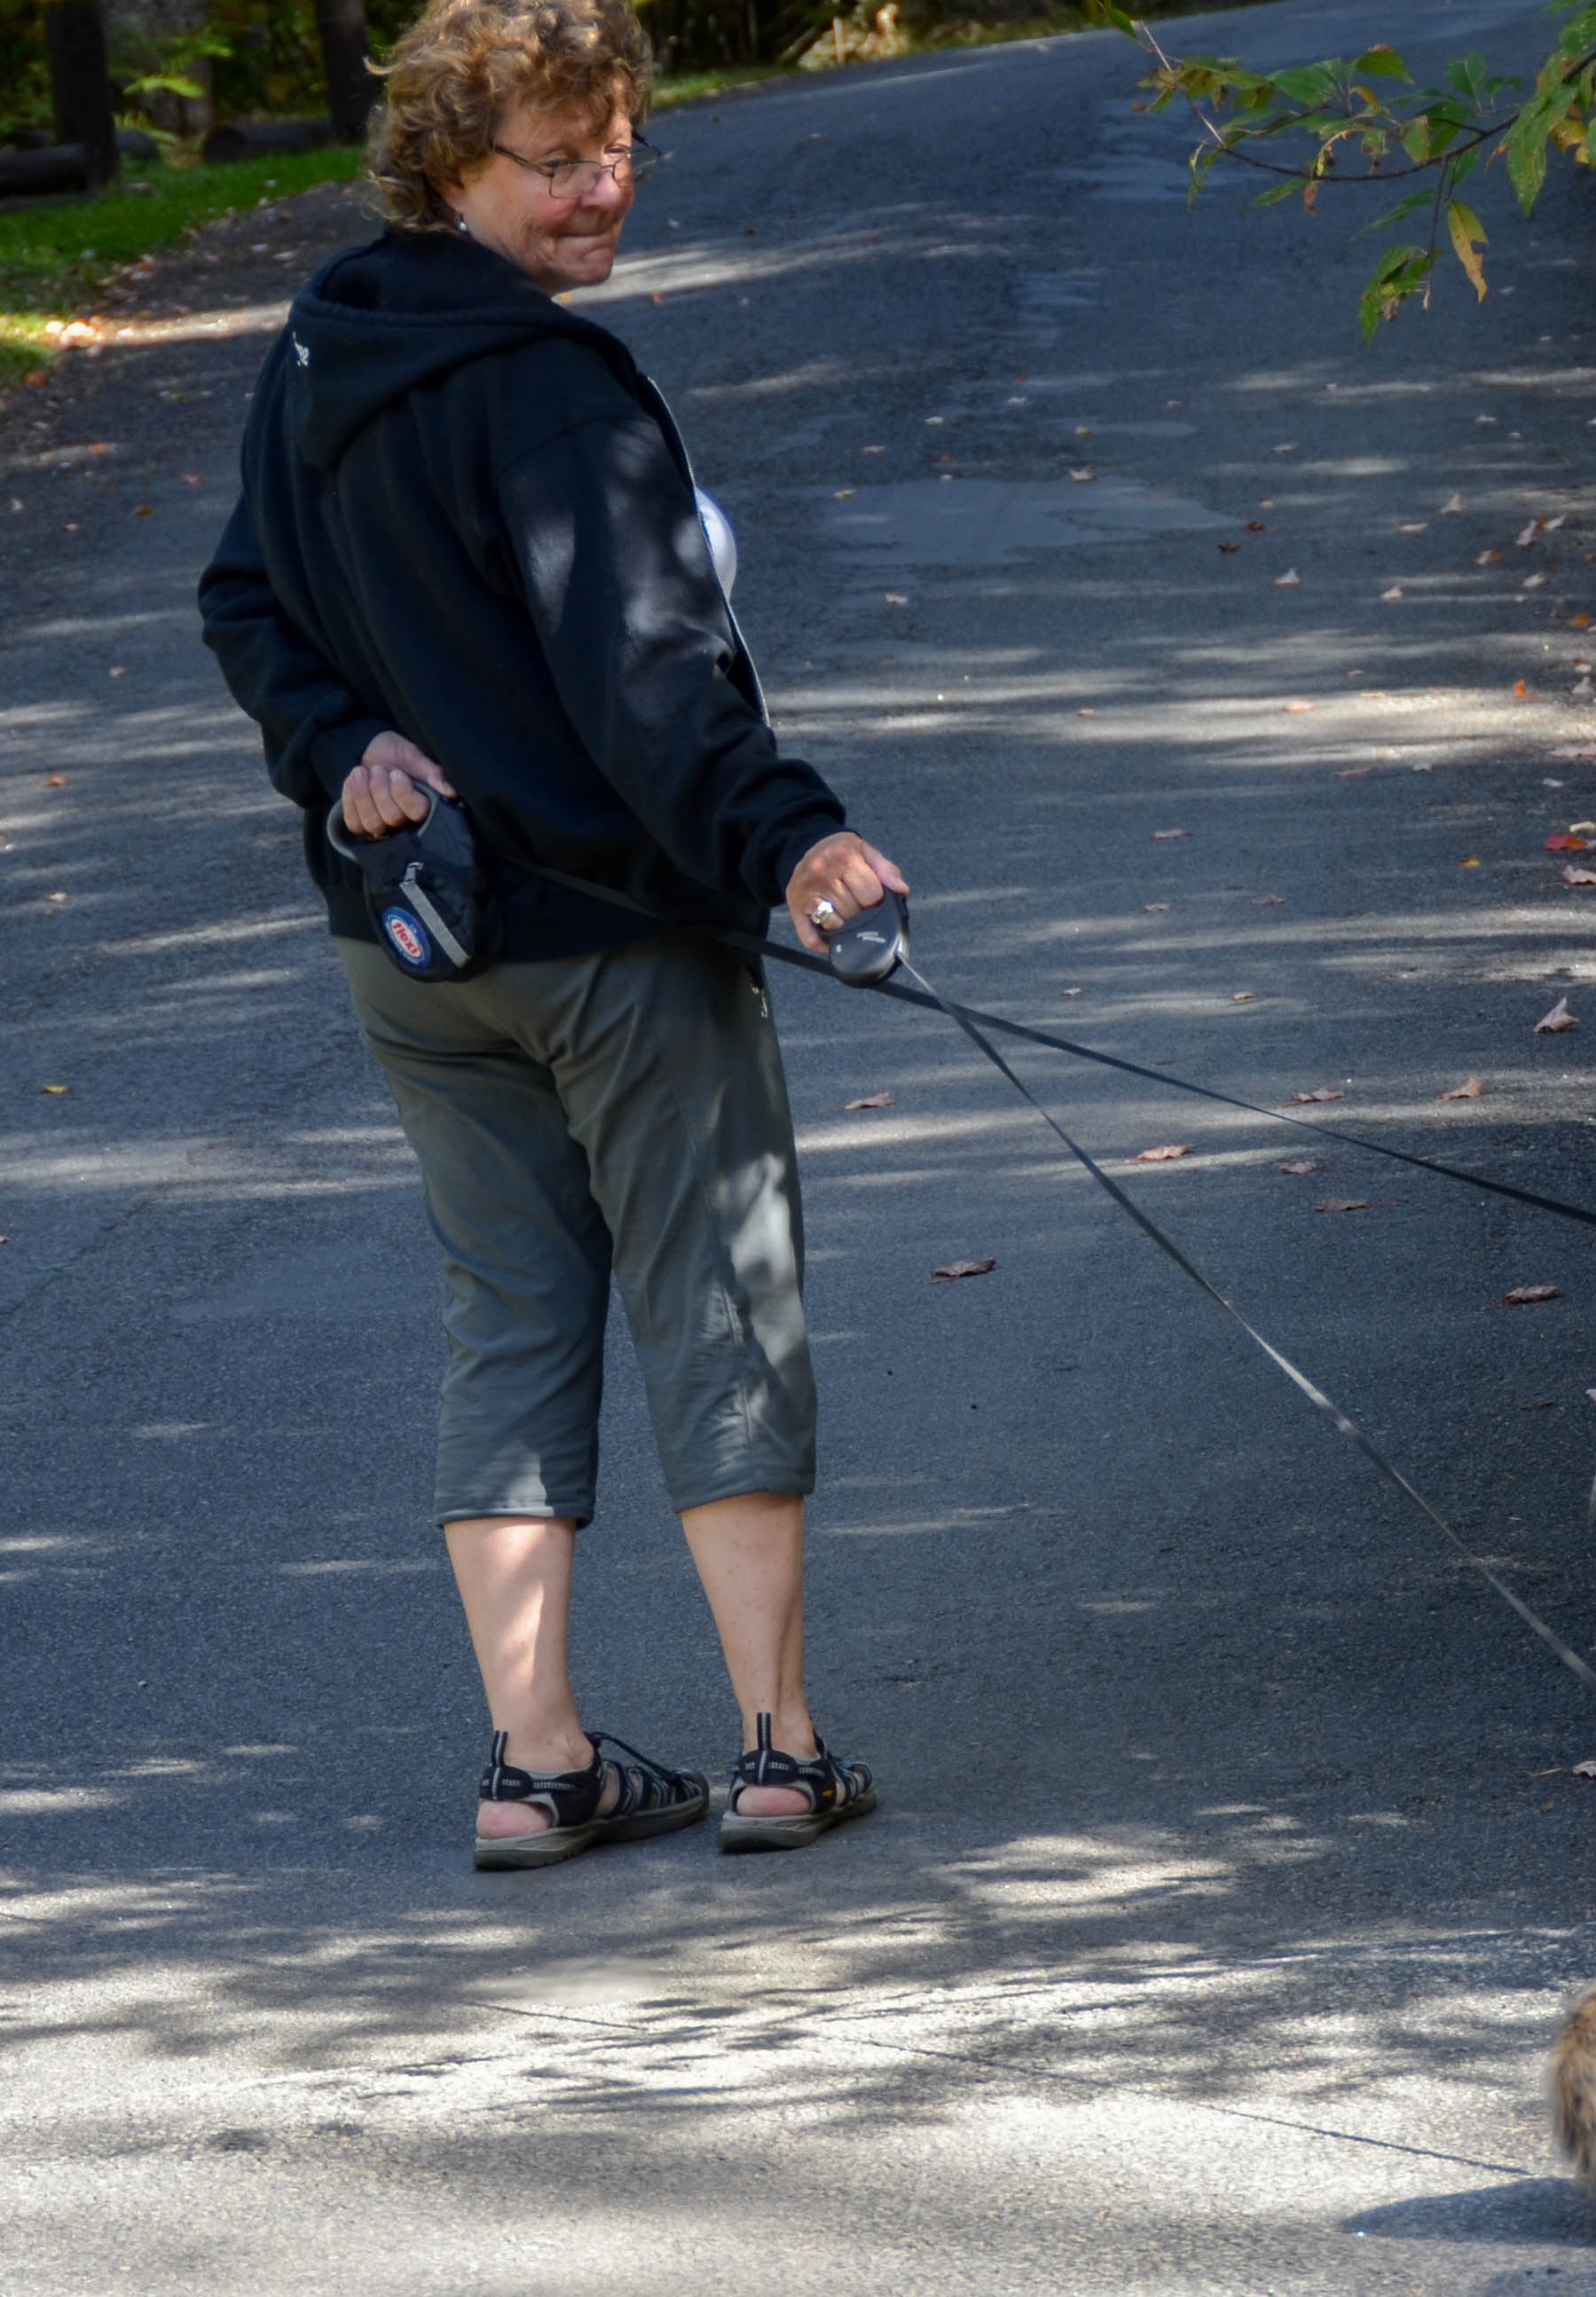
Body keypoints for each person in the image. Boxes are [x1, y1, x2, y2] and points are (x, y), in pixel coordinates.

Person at [199, 0, 901, 1870]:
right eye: (561, 159)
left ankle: (540, 1764)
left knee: (507, 1317)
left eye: (622, 152)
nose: (605, 191)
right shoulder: (554, 389)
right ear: (450, 164)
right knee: (717, 1300)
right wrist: (793, 838)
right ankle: (776, 1747)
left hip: (418, 948)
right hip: (609, 941)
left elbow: (245, 600)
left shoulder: (325, 341)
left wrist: (337, 745)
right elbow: (652, 687)